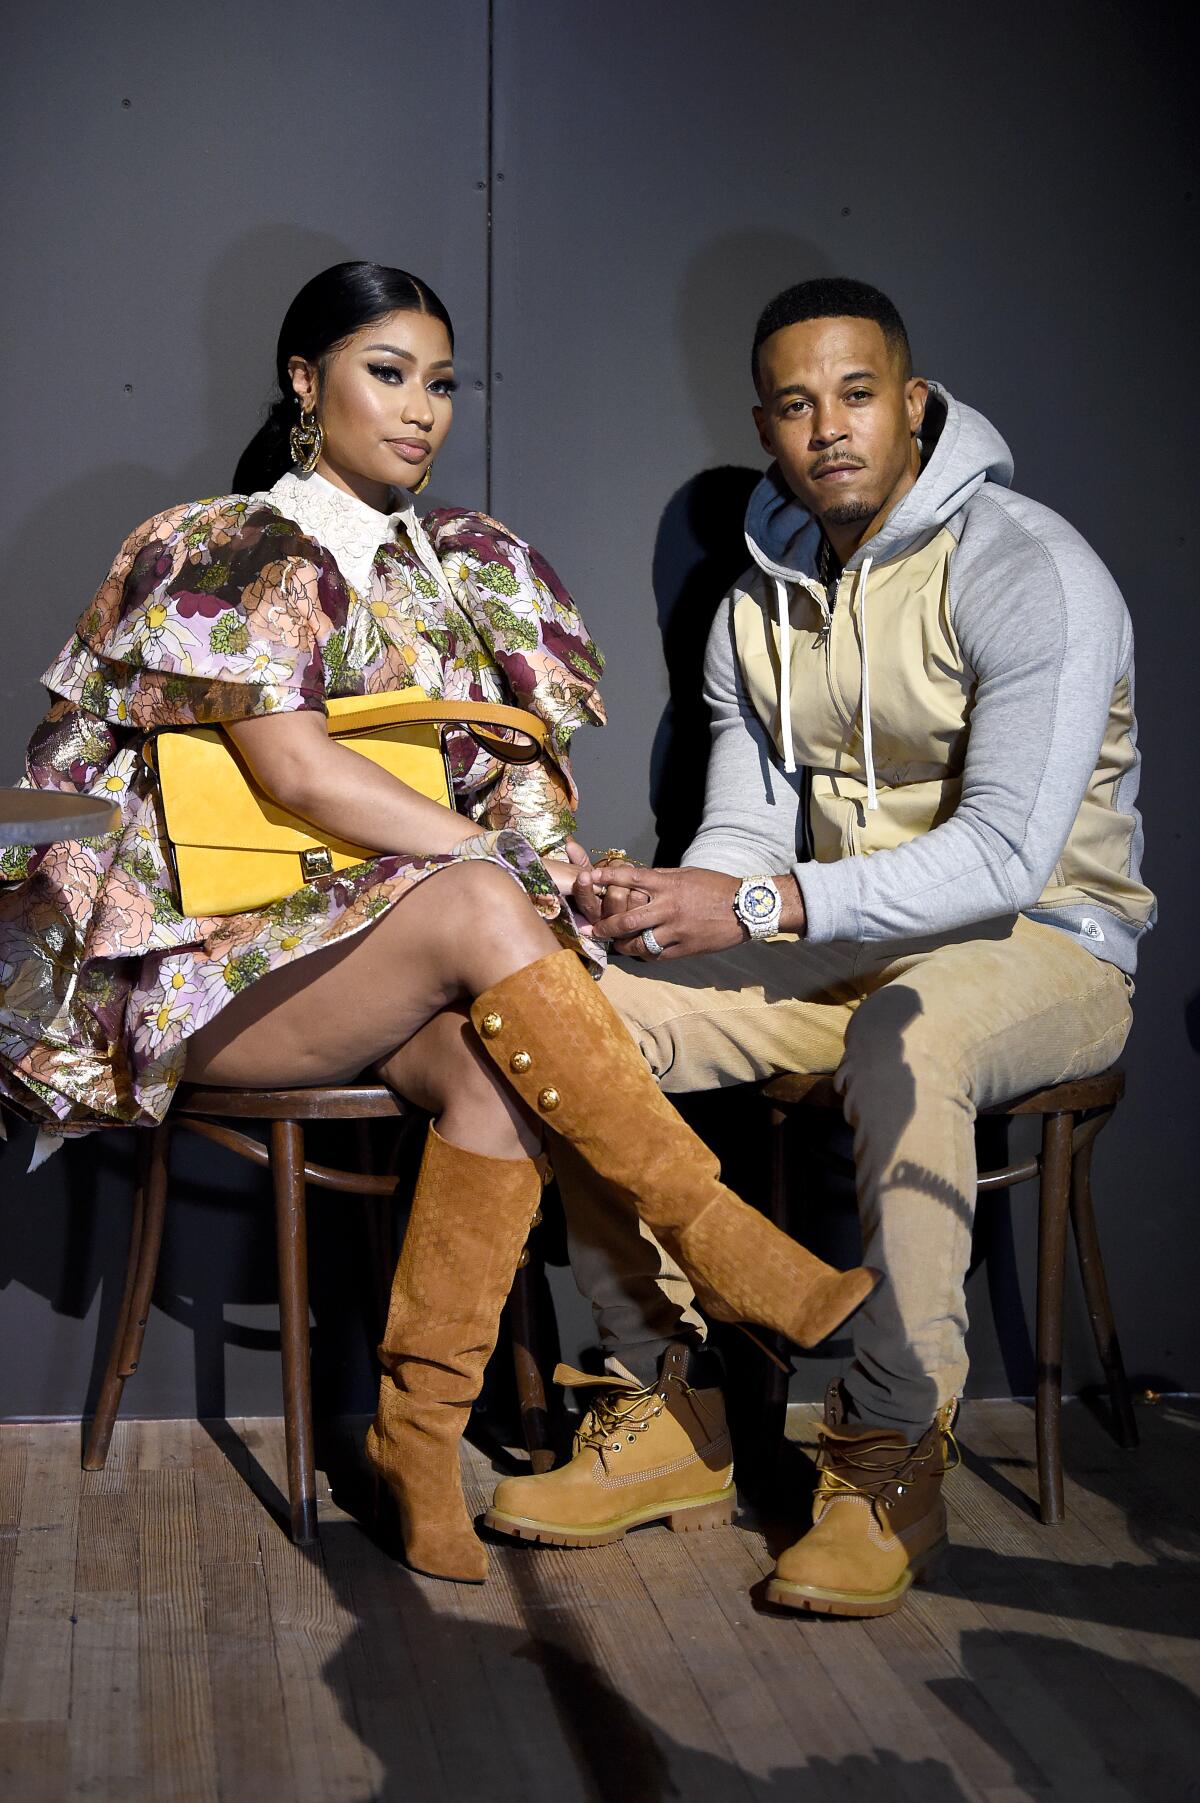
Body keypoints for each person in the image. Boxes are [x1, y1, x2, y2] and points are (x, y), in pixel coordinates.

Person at [0, 261, 876, 1585]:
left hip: (363, 960)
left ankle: (419, 1439)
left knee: (492, 1069)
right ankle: (726, 1240)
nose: (422, 410)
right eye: (387, 372)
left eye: (442, 383)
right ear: (307, 382)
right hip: (208, 976)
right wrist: (488, 866)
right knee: (475, 899)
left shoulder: (459, 569)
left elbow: (505, 785)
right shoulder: (230, 542)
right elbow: (295, 773)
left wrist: (561, 876)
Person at [485, 277, 1154, 1619]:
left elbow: (1005, 858)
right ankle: (669, 1408)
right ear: (765, 423)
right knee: (576, 1013)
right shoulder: (760, 601)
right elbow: (746, 825)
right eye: (797, 405)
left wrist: (757, 909)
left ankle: (893, 1455)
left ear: (912, 403)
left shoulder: (1032, 568)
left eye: (857, 395)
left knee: (916, 1029)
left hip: (1044, 946)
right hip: (844, 943)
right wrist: (667, 901)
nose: (829, 429)